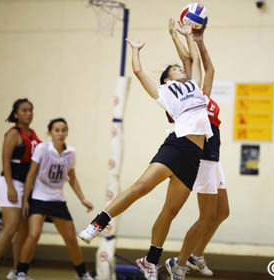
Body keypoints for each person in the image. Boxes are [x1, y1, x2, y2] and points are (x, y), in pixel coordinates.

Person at [78, 21, 213, 280]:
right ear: (167, 79)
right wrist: (136, 50)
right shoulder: (165, 91)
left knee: (170, 212)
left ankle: (151, 261)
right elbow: (139, 73)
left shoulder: (194, 86)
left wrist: (186, 35)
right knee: (141, 187)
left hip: (194, 156)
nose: (179, 68)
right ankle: (98, 223)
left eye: (179, 67)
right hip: (176, 145)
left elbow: (193, 58)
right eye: (174, 68)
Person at [134, 20, 230, 280]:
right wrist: (175, 35)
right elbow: (188, 61)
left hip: (214, 155)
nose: (184, 70)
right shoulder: (183, 98)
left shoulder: (201, 93)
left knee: (222, 213)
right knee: (207, 215)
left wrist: (198, 38)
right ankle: (181, 262)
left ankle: (193, 256)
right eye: (176, 70)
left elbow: (204, 65)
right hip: (200, 156)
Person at [14, 118, 94, 280]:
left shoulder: (71, 152)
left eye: (64, 130)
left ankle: (82, 274)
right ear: (50, 132)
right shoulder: (42, 149)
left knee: (71, 238)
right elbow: (31, 174)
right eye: (57, 130)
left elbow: (72, 177)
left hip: (57, 200)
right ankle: (21, 272)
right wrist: (25, 200)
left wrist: (82, 199)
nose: (61, 133)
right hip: (39, 198)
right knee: (34, 234)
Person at [0, 98, 41, 280]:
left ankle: (17, 271)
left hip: (27, 185)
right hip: (11, 183)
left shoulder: (32, 134)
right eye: (24, 110)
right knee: (10, 228)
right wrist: (10, 187)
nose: (28, 113)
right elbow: (5, 160)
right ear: (16, 114)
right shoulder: (12, 134)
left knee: (24, 230)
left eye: (30, 110)